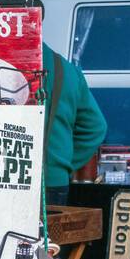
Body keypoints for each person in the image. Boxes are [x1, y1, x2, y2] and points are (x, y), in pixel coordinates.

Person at [41, 38, 107, 208]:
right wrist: (62, 162)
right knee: (47, 235)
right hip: (52, 179)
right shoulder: (66, 69)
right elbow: (95, 127)